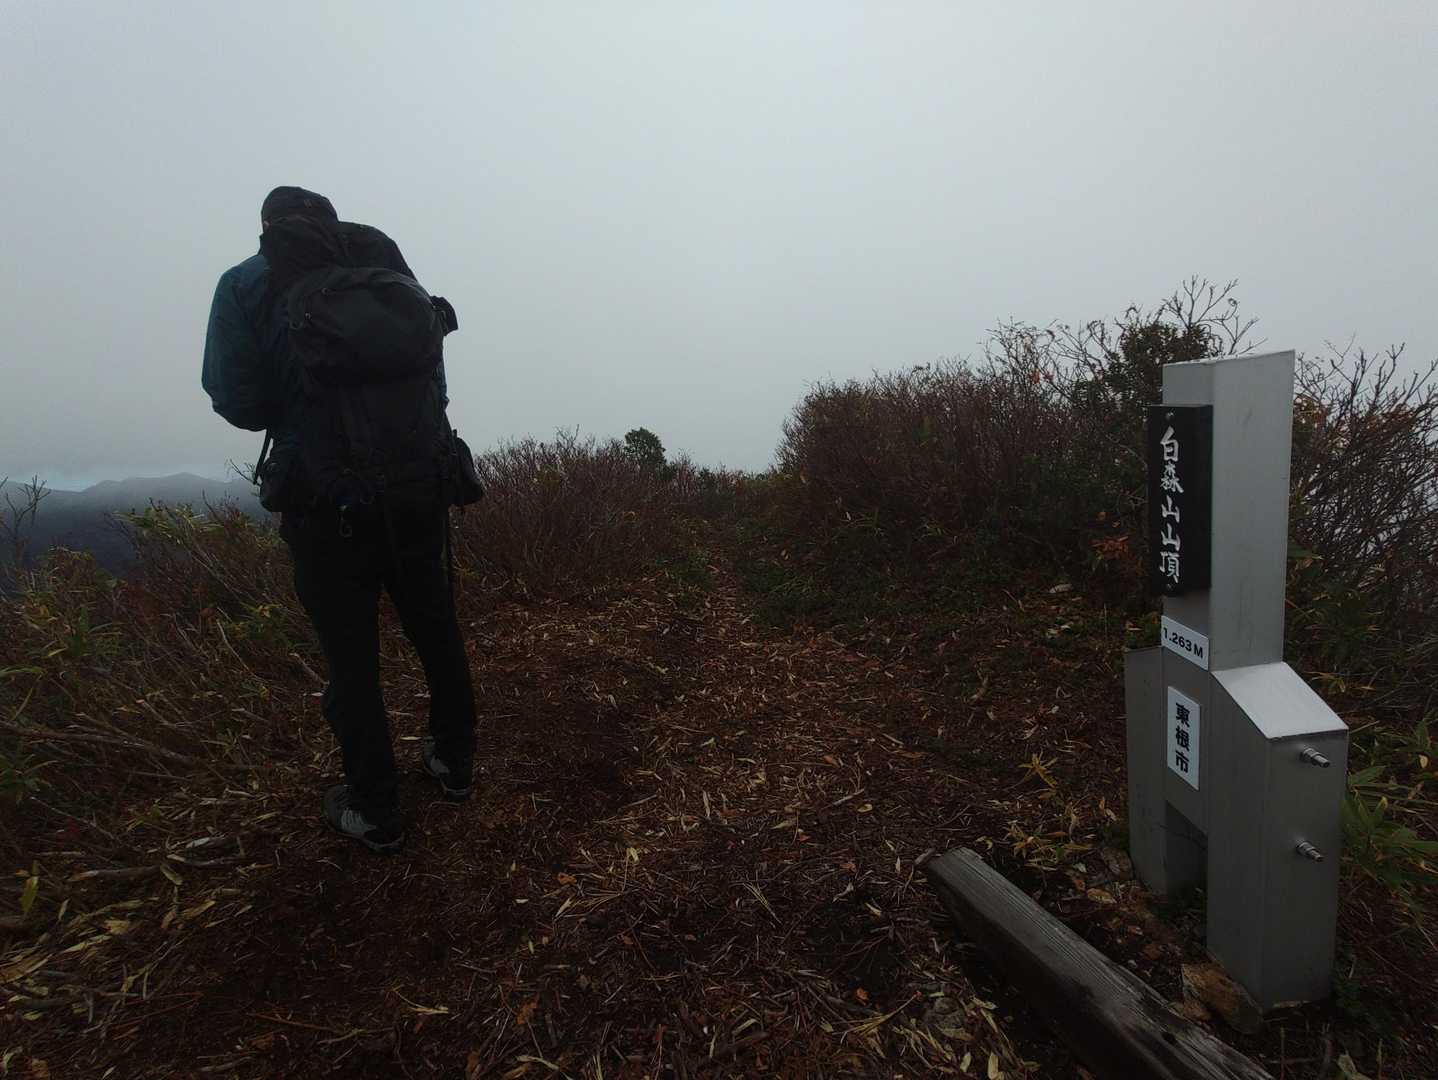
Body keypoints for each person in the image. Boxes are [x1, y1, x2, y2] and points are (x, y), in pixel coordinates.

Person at [202, 186, 477, 853]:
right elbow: (433, 379)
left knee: (352, 658)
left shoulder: (246, 283)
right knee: (435, 626)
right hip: (418, 484)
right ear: (332, 223)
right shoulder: (387, 272)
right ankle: (454, 762)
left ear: (269, 229)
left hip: (325, 500)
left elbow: (236, 399)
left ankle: (375, 808)